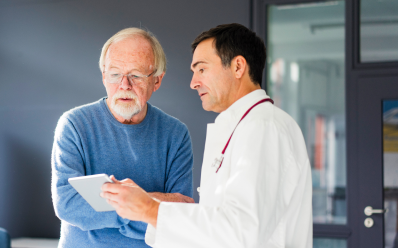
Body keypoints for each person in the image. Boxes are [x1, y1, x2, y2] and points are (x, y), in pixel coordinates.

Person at [101, 23, 313, 248]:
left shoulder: (265, 127)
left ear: (238, 66)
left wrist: (150, 209)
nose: (193, 83)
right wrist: (148, 203)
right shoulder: (243, 126)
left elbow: (242, 232)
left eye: (201, 69)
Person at [51, 27, 194, 248]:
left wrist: (107, 208)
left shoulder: (176, 134)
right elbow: (68, 204)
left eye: (135, 75)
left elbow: (179, 214)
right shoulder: (74, 125)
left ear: (157, 80)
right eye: (115, 74)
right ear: (104, 77)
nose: (124, 85)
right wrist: (144, 206)